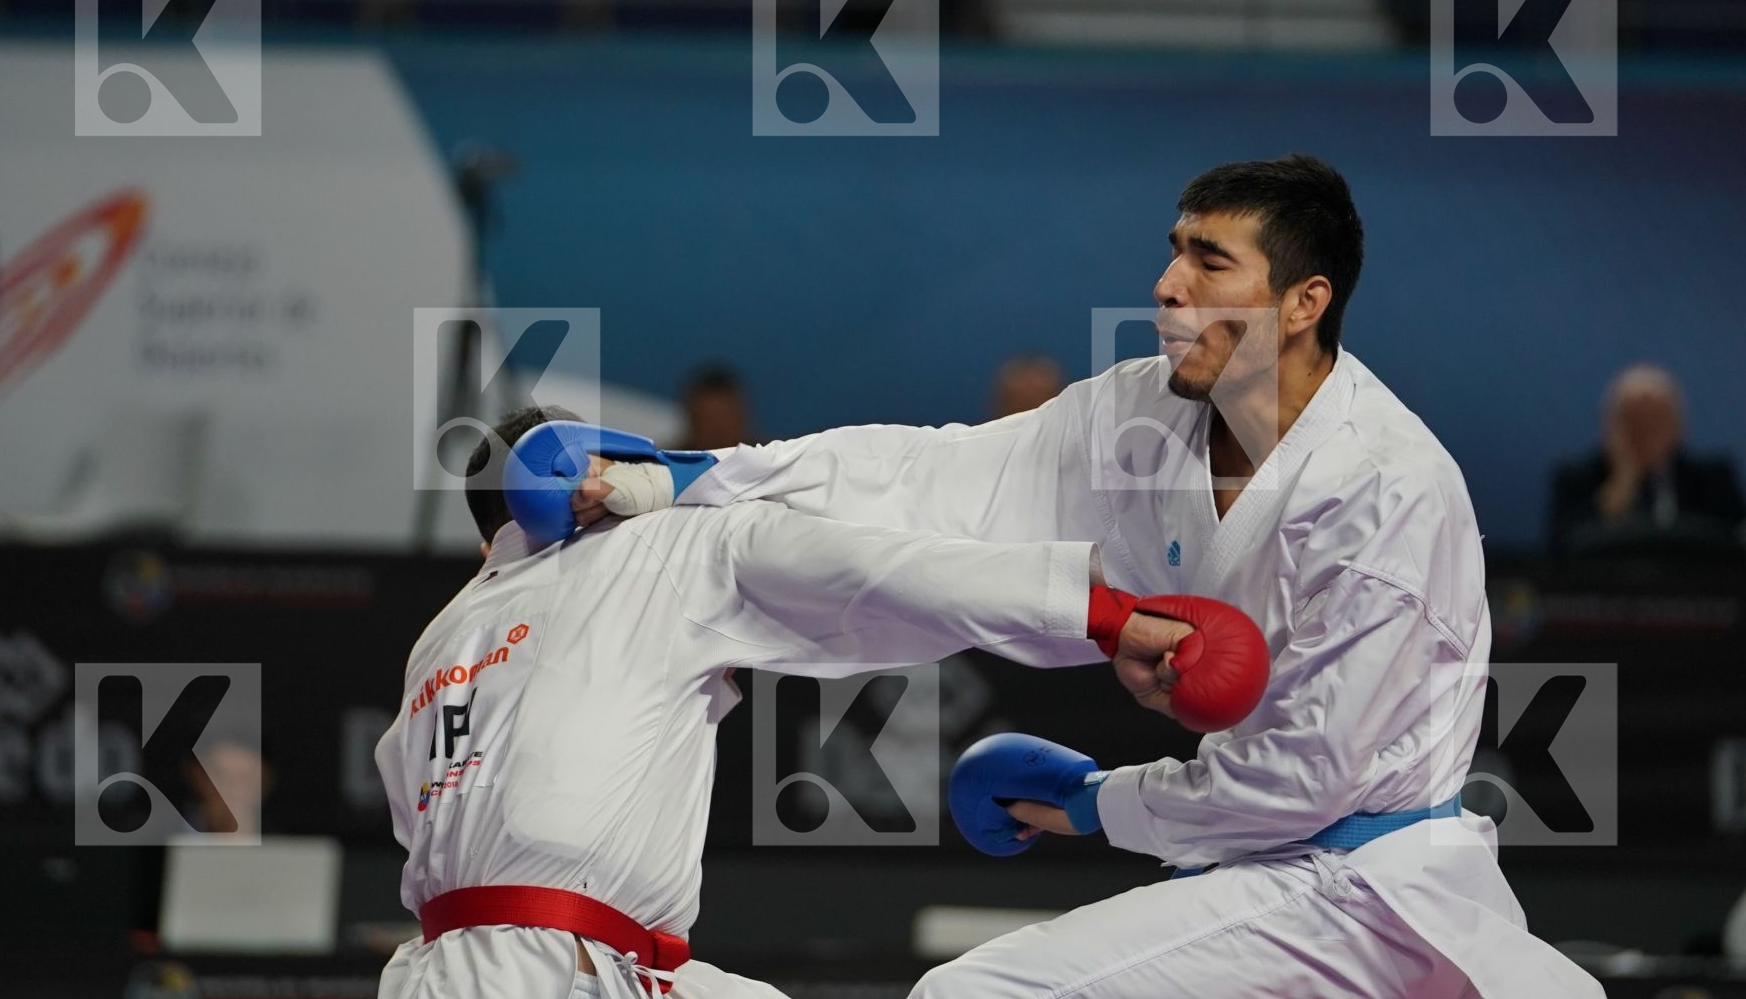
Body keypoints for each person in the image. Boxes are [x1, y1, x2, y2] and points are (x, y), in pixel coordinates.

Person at [576, 154, 1603, 998]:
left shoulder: (1386, 488)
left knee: (976, 997)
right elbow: (931, 476)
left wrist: (1091, 803)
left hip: (1365, 889)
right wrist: (699, 480)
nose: (1168, 286)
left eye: (1211, 263)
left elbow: (1308, 780)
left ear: (1303, 303)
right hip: (1262, 871)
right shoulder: (1141, 416)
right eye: (1173, 254)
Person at [374, 404, 1261, 999]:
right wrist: (1106, 613)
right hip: (551, 973)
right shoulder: (659, 551)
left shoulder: (438, 640)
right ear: (573, 475)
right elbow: (877, 571)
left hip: (465, 970)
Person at [1547, 362, 1744, 557]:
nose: (1645, 431)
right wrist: (1623, 482)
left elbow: (1731, 540)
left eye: (1656, 419)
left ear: (1678, 426)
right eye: (1633, 420)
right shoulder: (1577, 478)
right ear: (1610, 425)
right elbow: (1565, 548)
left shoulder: (1712, 477)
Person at [678, 365, 754, 451]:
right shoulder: (667, 463)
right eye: (708, 419)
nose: (718, 429)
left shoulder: (765, 460)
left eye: (725, 417)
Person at [989, 353, 1065, 419]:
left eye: (1038, 395)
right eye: (1020, 399)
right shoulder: (982, 434)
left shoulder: (1073, 434)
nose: (1029, 403)